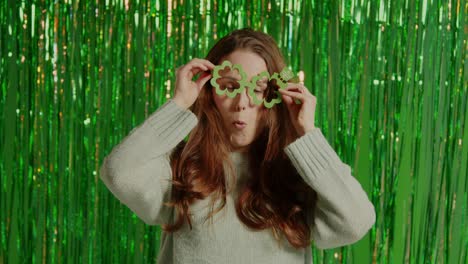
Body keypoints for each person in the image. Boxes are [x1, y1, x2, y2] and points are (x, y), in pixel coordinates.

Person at [99, 28, 376, 264]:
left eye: (258, 89)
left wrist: (307, 134)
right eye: (230, 87)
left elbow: (356, 221)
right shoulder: (181, 168)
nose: (242, 103)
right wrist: (180, 104)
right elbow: (119, 172)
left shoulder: (297, 175)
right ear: (210, 92)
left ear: (276, 95)